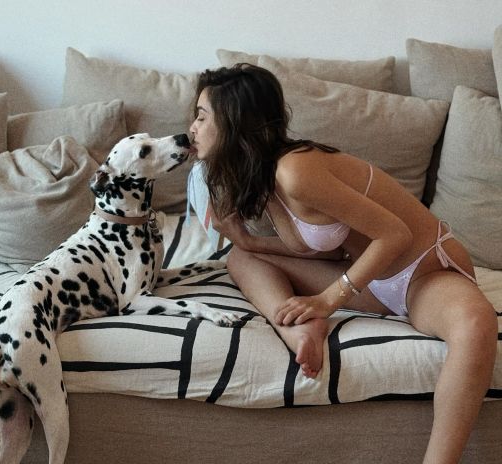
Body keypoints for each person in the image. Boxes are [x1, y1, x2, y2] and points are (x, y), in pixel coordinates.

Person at [188, 63, 498, 464]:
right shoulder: (266, 180)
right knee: (242, 259)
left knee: (476, 326)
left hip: (424, 273)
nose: (192, 128)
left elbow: (396, 234)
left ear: (235, 121)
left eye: (201, 116)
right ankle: (298, 330)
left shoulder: (296, 170)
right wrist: (246, 240)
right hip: (369, 279)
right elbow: (326, 252)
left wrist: (327, 300)